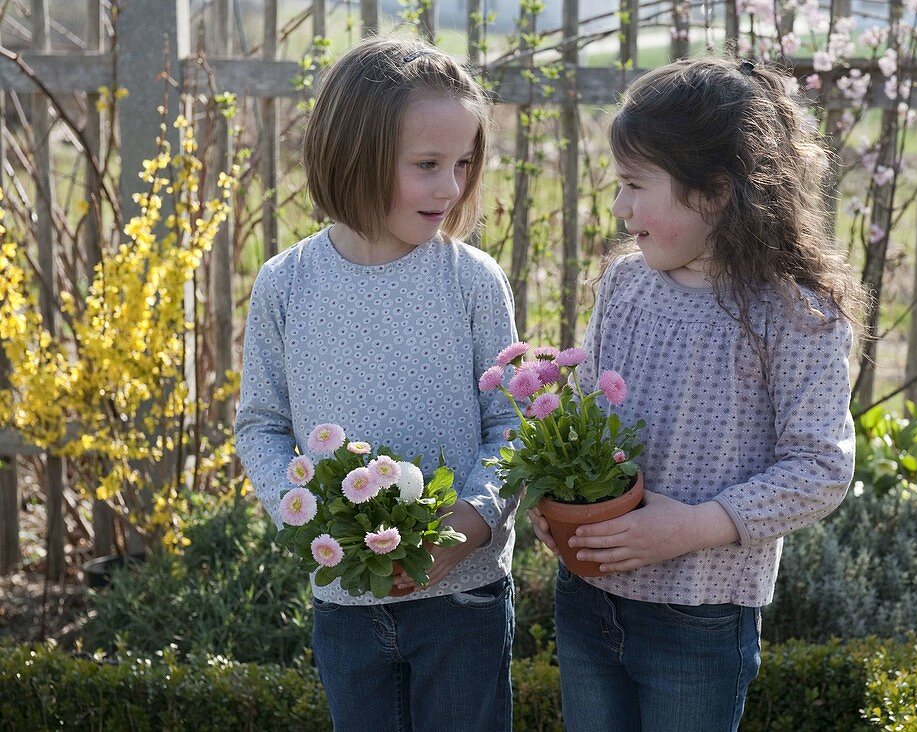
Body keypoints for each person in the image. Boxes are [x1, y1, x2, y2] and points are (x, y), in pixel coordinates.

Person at [530, 57, 864, 731]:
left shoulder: (794, 317)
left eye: (633, 185)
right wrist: (552, 498)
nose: (619, 208)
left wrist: (691, 526)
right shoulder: (625, 285)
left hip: (700, 616)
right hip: (588, 597)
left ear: (713, 192)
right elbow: (589, 420)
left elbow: (820, 468)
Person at [234, 35, 519, 732]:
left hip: (464, 602)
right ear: (354, 157)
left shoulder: (472, 282)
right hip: (345, 600)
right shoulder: (287, 285)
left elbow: (513, 426)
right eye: (427, 165)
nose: (450, 187)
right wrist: (300, 511)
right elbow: (261, 423)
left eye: (462, 163)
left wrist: (474, 521)